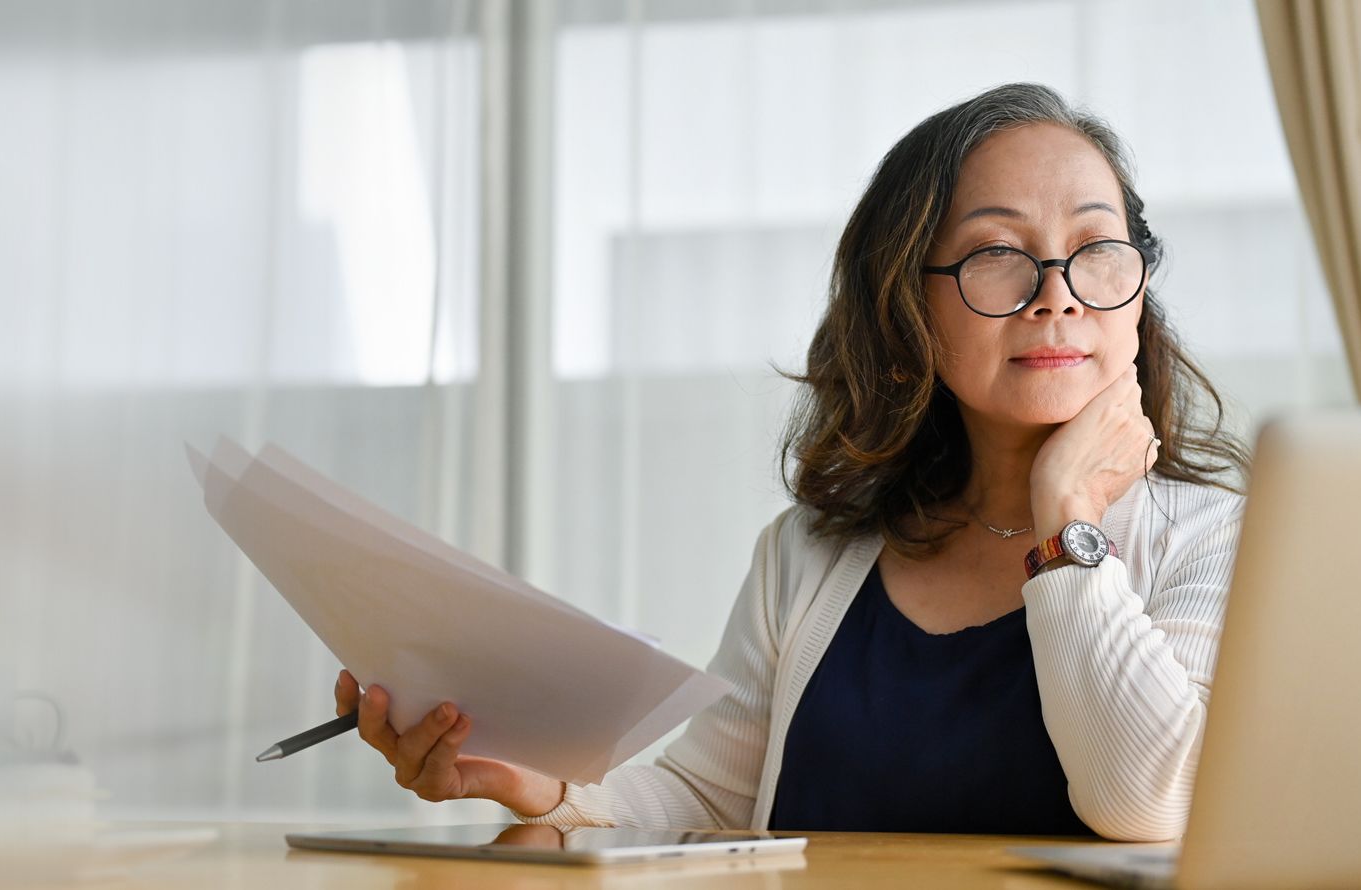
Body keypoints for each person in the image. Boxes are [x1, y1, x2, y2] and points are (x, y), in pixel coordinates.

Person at [331, 82, 1251, 843]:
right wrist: (551, 788)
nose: (1058, 294)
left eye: (1097, 248)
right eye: (997, 254)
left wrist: (1067, 523)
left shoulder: (1215, 540)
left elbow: (1147, 803)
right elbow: (706, 805)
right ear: (909, 306)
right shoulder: (805, 556)